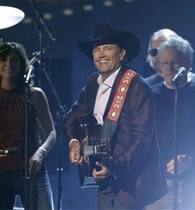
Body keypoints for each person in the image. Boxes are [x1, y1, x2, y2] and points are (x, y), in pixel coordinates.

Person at [65, 22, 166, 210]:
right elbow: (72, 118)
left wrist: (114, 166)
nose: (101, 54)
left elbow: (143, 139)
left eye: (108, 48)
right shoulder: (92, 83)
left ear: (122, 54)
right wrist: (74, 142)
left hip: (131, 180)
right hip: (103, 176)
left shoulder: (137, 86)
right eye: (97, 50)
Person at [144, 35, 195, 210]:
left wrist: (191, 159)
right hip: (157, 185)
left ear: (188, 64)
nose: (170, 68)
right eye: (165, 63)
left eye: (175, 63)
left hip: (194, 181)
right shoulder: (150, 95)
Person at [0, 41, 56, 210]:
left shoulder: (35, 95)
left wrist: (41, 152)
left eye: (14, 60)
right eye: (4, 59)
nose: (9, 64)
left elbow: (51, 132)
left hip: (32, 170)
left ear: (22, 64)